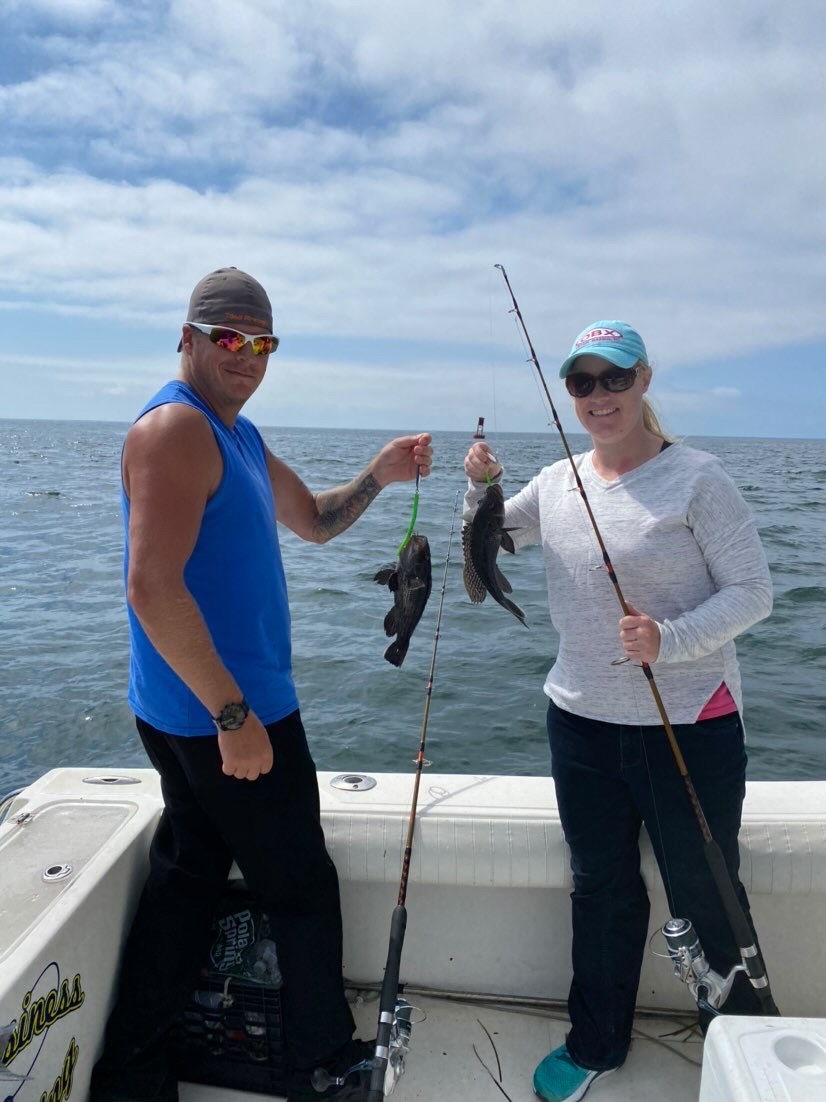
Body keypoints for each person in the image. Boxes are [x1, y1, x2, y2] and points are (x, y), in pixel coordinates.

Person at [90, 267, 433, 1102]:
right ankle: (321, 1066)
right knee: (301, 886)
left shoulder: (234, 433)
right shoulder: (175, 429)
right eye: (229, 338)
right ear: (189, 338)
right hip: (225, 712)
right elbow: (151, 586)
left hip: (201, 708)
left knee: (190, 874)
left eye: (262, 342)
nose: (247, 355)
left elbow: (312, 521)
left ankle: (134, 1068)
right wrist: (234, 715)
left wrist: (379, 475)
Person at [463, 320, 772, 1102]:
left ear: (644, 382)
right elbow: (493, 539)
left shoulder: (700, 480)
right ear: (569, 392)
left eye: (614, 378)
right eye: (582, 382)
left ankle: (742, 1045)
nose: (599, 396)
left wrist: (668, 639)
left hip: (692, 722)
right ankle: (597, 1041)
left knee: (705, 889)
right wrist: (478, 484)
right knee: (599, 885)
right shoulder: (557, 481)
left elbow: (754, 593)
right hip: (581, 724)